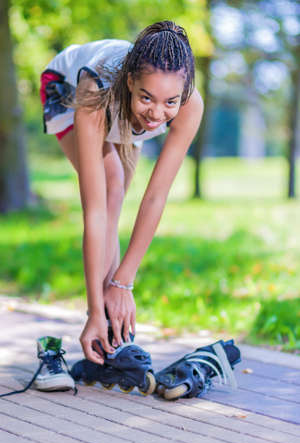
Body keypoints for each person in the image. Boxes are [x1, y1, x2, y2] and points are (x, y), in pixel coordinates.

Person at [37, 20, 203, 391]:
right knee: (110, 187)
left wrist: (123, 283)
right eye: (147, 97)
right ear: (131, 82)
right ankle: (100, 321)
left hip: (120, 108)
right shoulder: (94, 87)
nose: (158, 114)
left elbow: (156, 196)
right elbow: (93, 211)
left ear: (184, 93)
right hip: (66, 88)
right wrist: (95, 307)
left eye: (170, 102)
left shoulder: (189, 106)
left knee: (119, 199)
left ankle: (111, 331)